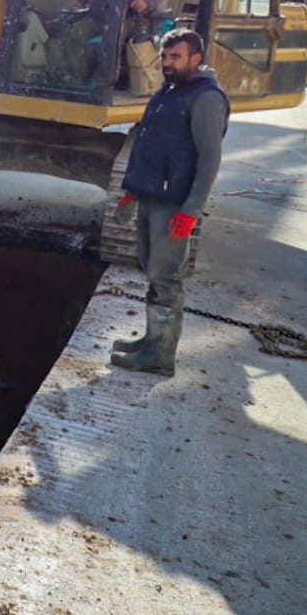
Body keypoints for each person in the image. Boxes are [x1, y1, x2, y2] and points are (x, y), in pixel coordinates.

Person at [111, 28, 229, 376]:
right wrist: (132, 189)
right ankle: (151, 341)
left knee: (166, 276)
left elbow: (209, 159)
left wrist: (190, 211)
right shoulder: (170, 90)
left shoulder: (206, 98)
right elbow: (149, 142)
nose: (167, 63)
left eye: (175, 57)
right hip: (152, 195)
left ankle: (161, 355)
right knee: (151, 266)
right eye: (164, 56)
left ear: (196, 58)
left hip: (173, 204)